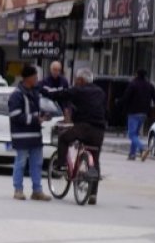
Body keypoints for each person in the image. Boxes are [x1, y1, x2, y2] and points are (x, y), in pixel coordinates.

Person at [43, 68, 107, 204]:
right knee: (95, 160)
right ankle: (93, 195)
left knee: (64, 138)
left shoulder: (79, 90)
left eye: (77, 80)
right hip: (99, 130)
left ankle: (61, 166)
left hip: (83, 127)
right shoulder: (100, 92)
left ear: (81, 80)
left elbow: (61, 94)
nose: (76, 82)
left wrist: (45, 92)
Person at [9, 65, 49, 201]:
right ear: (28, 78)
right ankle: (18, 190)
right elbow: (15, 115)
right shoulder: (17, 95)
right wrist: (35, 119)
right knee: (20, 163)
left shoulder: (35, 93)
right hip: (22, 136)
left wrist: (42, 116)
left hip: (35, 136)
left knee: (37, 164)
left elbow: (34, 111)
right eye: (35, 77)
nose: (37, 79)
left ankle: (37, 191)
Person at [118, 68, 155, 160]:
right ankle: (132, 154)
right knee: (135, 134)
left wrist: (118, 102)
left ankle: (142, 148)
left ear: (136, 74)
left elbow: (126, 97)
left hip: (133, 113)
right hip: (144, 113)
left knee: (131, 135)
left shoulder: (133, 84)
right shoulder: (149, 86)